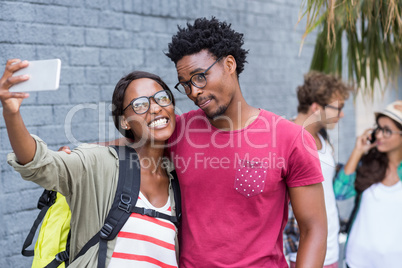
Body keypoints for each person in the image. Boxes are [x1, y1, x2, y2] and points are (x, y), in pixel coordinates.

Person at [164, 17, 328, 267]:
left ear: (229, 64)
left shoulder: (290, 138)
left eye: (199, 77)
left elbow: (313, 229)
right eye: (185, 85)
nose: (193, 92)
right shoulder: (177, 132)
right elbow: (121, 151)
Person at [0, 59, 179, 267]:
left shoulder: (179, 180)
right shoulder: (99, 163)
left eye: (162, 98)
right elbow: (40, 164)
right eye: (140, 104)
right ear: (124, 121)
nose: (156, 108)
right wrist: (11, 113)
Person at [284, 71, 352, 268]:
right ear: (315, 107)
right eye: (338, 108)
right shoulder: (286, 139)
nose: (342, 114)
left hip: (330, 250)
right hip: (300, 255)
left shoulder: (323, 138)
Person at [334, 101, 402, 268]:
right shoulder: (368, 164)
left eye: (387, 131)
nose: (379, 135)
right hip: (358, 260)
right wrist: (357, 152)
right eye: (378, 128)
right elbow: (339, 192)